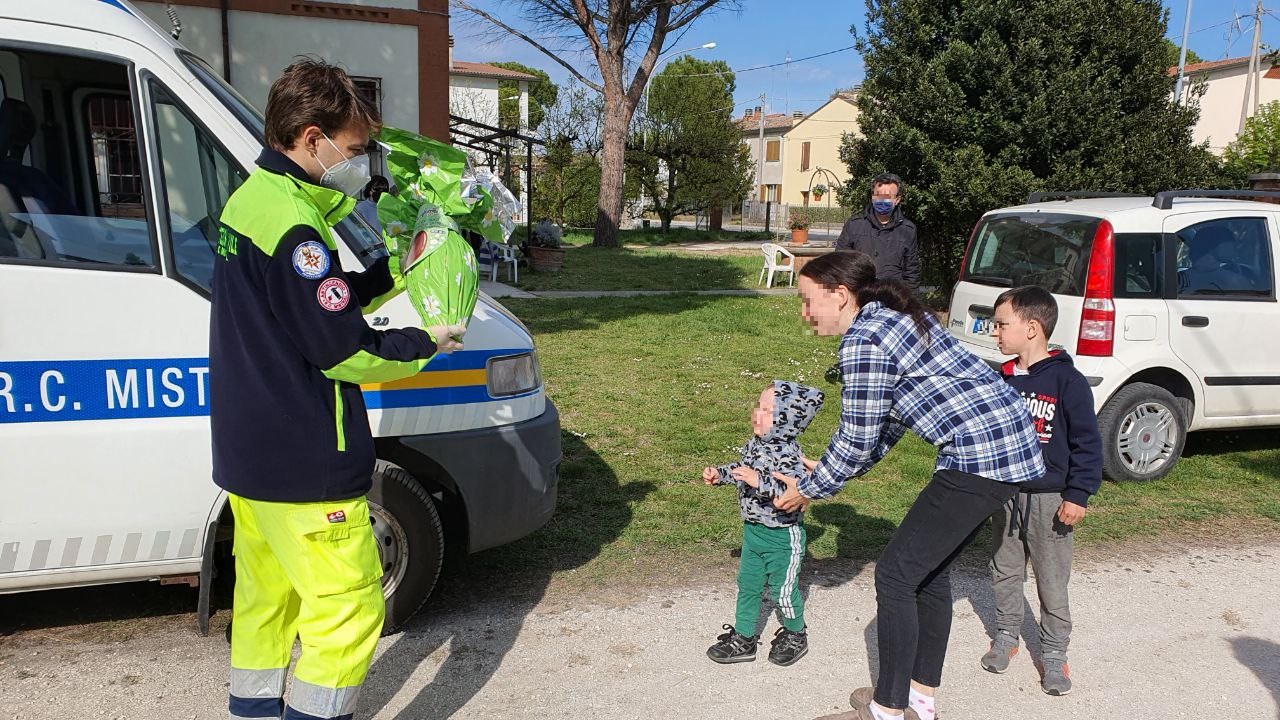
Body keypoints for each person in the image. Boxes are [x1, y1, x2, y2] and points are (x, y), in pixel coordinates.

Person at [210, 59, 465, 720]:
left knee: (269, 605)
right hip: (304, 463)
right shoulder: (298, 228)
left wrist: (389, 273)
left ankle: (255, 712)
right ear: (311, 137)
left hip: (251, 459)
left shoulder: (255, 202)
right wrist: (427, 342)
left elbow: (309, 307)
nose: (357, 163)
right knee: (347, 610)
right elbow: (344, 348)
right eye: (352, 150)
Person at [771, 251, 1044, 720]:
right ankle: (918, 701)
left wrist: (812, 486)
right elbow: (887, 424)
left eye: (807, 300)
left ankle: (887, 710)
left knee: (895, 575)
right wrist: (833, 469)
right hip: (1000, 453)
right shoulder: (892, 320)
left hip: (979, 459)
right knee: (926, 575)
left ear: (840, 295)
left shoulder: (866, 340)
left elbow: (857, 436)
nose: (804, 312)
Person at [982, 286, 1102, 696]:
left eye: (1001, 324)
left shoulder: (1068, 381)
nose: (994, 331)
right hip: (1007, 496)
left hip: (1052, 500)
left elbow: (1087, 443)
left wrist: (1078, 494)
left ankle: (1054, 653)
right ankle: (1006, 635)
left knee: (1051, 580)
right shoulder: (1002, 378)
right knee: (1004, 568)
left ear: (1032, 328)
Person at [701, 381, 825, 667]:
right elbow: (742, 471)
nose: (757, 414)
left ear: (787, 420)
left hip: (783, 537)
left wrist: (761, 482)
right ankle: (744, 638)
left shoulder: (790, 455)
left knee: (782, 590)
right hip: (754, 533)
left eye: (767, 410)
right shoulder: (756, 445)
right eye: (758, 406)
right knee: (748, 584)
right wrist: (721, 474)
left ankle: (796, 634)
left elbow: (794, 493)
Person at [835, 174, 920, 289]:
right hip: (860, 293)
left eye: (887, 196)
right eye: (878, 195)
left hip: (892, 296)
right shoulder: (855, 224)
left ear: (897, 200)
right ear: (872, 197)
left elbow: (911, 271)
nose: (882, 200)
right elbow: (840, 262)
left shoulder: (907, 229)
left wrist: (911, 303)